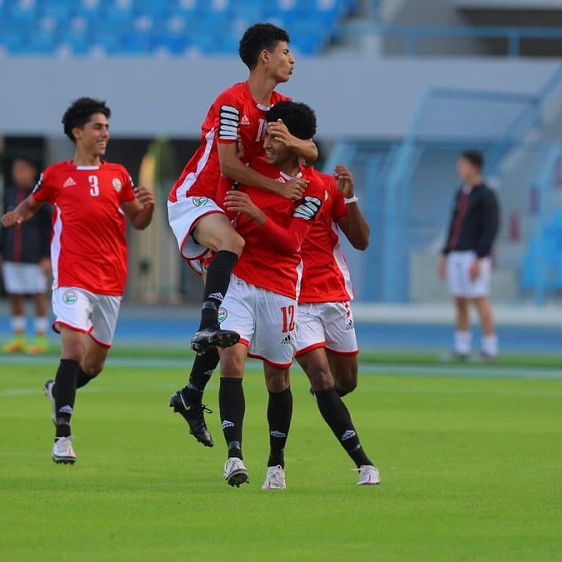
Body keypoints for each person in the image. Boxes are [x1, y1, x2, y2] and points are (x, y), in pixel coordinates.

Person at [167, 23, 318, 445]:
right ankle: (202, 328)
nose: (292, 59)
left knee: (229, 333)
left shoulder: (281, 106)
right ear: (265, 56)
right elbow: (229, 165)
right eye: (286, 51)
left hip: (227, 207)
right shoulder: (232, 102)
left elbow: (312, 150)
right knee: (233, 250)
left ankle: (191, 394)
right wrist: (280, 187)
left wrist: (296, 142)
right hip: (196, 198)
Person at [0, 97, 155, 464]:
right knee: (72, 350)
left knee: (94, 364)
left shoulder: (118, 175)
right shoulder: (56, 175)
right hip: (71, 277)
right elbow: (32, 203)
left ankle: (58, 389)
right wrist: (16, 216)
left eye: (106, 127)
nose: (105, 134)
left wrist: (147, 208)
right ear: (78, 132)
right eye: (98, 127)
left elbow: (138, 221)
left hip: (110, 281)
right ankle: (62, 438)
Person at [204, 100, 324, 489]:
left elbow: (291, 244)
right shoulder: (250, 170)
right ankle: (234, 456)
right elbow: (225, 184)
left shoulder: (313, 187)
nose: (265, 141)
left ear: (293, 139)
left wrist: (256, 213)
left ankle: (276, 461)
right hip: (239, 281)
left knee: (277, 379)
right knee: (231, 361)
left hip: (280, 288)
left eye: (274, 135)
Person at [294, 163, 381, 486]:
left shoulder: (327, 185)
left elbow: (361, 241)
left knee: (345, 382)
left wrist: (351, 199)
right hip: (293, 298)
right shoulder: (263, 182)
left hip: (333, 295)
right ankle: (364, 464)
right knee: (320, 375)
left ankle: (326, 397)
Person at [438, 151, 501, 361]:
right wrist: (445, 253)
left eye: (463, 164)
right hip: (457, 254)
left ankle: (490, 348)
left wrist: (479, 256)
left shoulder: (486, 194)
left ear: (475, 167)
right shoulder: (461, 193)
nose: (459, 168)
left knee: (479, 299)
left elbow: (491, 227)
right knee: (459, 301)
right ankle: (462, 347)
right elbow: (454, 226)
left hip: (474, 255)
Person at [0, 156, 53, 354]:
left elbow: (48, 229)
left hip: (33, 256)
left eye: (22, 170)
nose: (18, 174)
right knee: (15, 295)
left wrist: (46, 255)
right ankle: (18, 337)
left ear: (32, 172)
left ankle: (40, 338)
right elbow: (2, 226)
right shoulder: (10, 195)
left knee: (37, 296)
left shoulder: (40, 198)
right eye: (15, 170)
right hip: (12, 255)